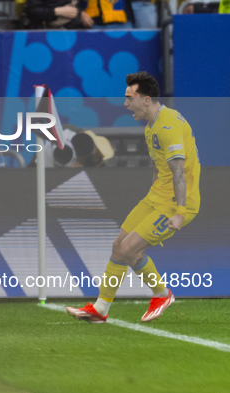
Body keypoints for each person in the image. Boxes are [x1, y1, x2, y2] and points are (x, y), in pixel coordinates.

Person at [66, 71, 200, 323]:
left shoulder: (168, 126)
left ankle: (161, 294)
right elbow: (158, 167)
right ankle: (101, 309)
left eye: (129, 98)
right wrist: (151, 197)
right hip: (156, 199)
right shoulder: (152, 126)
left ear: (146, 99)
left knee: (128, 248)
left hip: (176, 204)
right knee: (120, 247)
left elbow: (179, 171)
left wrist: (180, 213)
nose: (125, 104)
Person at [23, 0, 94, 29]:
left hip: (73, 33)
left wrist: (80, 13)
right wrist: (56, 11)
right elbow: (30, 11)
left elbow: (77, 5)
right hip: (45, 35)